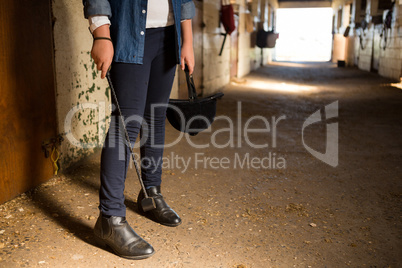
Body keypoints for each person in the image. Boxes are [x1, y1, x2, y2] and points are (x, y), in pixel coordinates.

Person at [82, 0, 195, 260]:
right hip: (130, 34)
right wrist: (101, 33)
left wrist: (187, 40)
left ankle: (151, 192)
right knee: (126, 124)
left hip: (169, 35)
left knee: (155, 117)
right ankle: (110, 218)